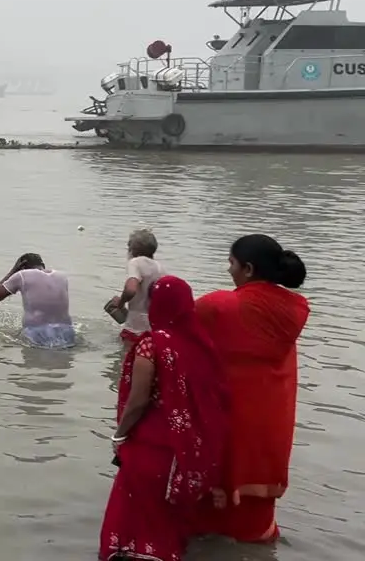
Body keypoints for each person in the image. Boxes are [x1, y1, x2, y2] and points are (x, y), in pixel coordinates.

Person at [99, 275, 229, 561]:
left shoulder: (152, 344)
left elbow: (138, 401)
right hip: (188, 452)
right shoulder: (203, 346)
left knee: (132, 525)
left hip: (151, 446)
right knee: (167, 527)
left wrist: (119, 435)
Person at [191, 234, 309, 544]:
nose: (228, 269)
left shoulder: (220, 305)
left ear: (248, 268)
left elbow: (174, 329)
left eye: (231, 263)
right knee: (255, 512)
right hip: (272, 421)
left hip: (231, 417)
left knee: (211, 515)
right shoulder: (295, 308)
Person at [0, 252, 75, 348]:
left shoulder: (22, 275)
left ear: (22, 267)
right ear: (43, 265)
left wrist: (13, 270)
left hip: (36, 335)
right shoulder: (62, 276)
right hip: (67, 332)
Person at [107, 228, 165, 347]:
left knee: (125, 362)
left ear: (132, 248)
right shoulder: (160, 268)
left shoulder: (135, 263)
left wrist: (121, 303)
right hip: (153, 328)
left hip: (135, 327)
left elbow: (131, 289)